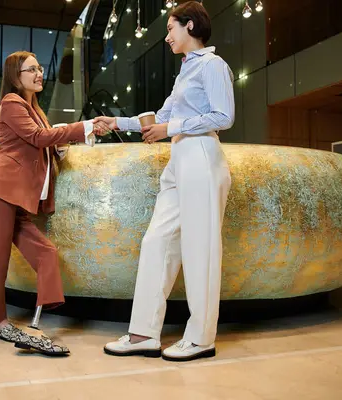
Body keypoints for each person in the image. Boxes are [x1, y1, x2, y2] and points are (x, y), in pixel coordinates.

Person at [97, 1, 234, 361]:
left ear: (190, 26)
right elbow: (159, 118)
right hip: (179, 160)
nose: (167, 37)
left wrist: (168, 128)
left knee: (200, 249)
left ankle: (202, 338)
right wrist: (118, 123)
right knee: (156, 241)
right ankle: (143, 333)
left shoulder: (212, 65)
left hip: (202, 156)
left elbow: (224, 116)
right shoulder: (185, 72)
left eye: (171, 29)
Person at [0, 51, 106, 355]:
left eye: (39, 68)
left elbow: (44, 142)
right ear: (15, 76)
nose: (39, 73)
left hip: (15, 198)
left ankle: (36, 323)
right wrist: (83, 127)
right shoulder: (11, 103)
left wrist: (60, 147)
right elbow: (37, 138)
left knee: (45, 253)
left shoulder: (36, 109)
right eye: (30, 69)